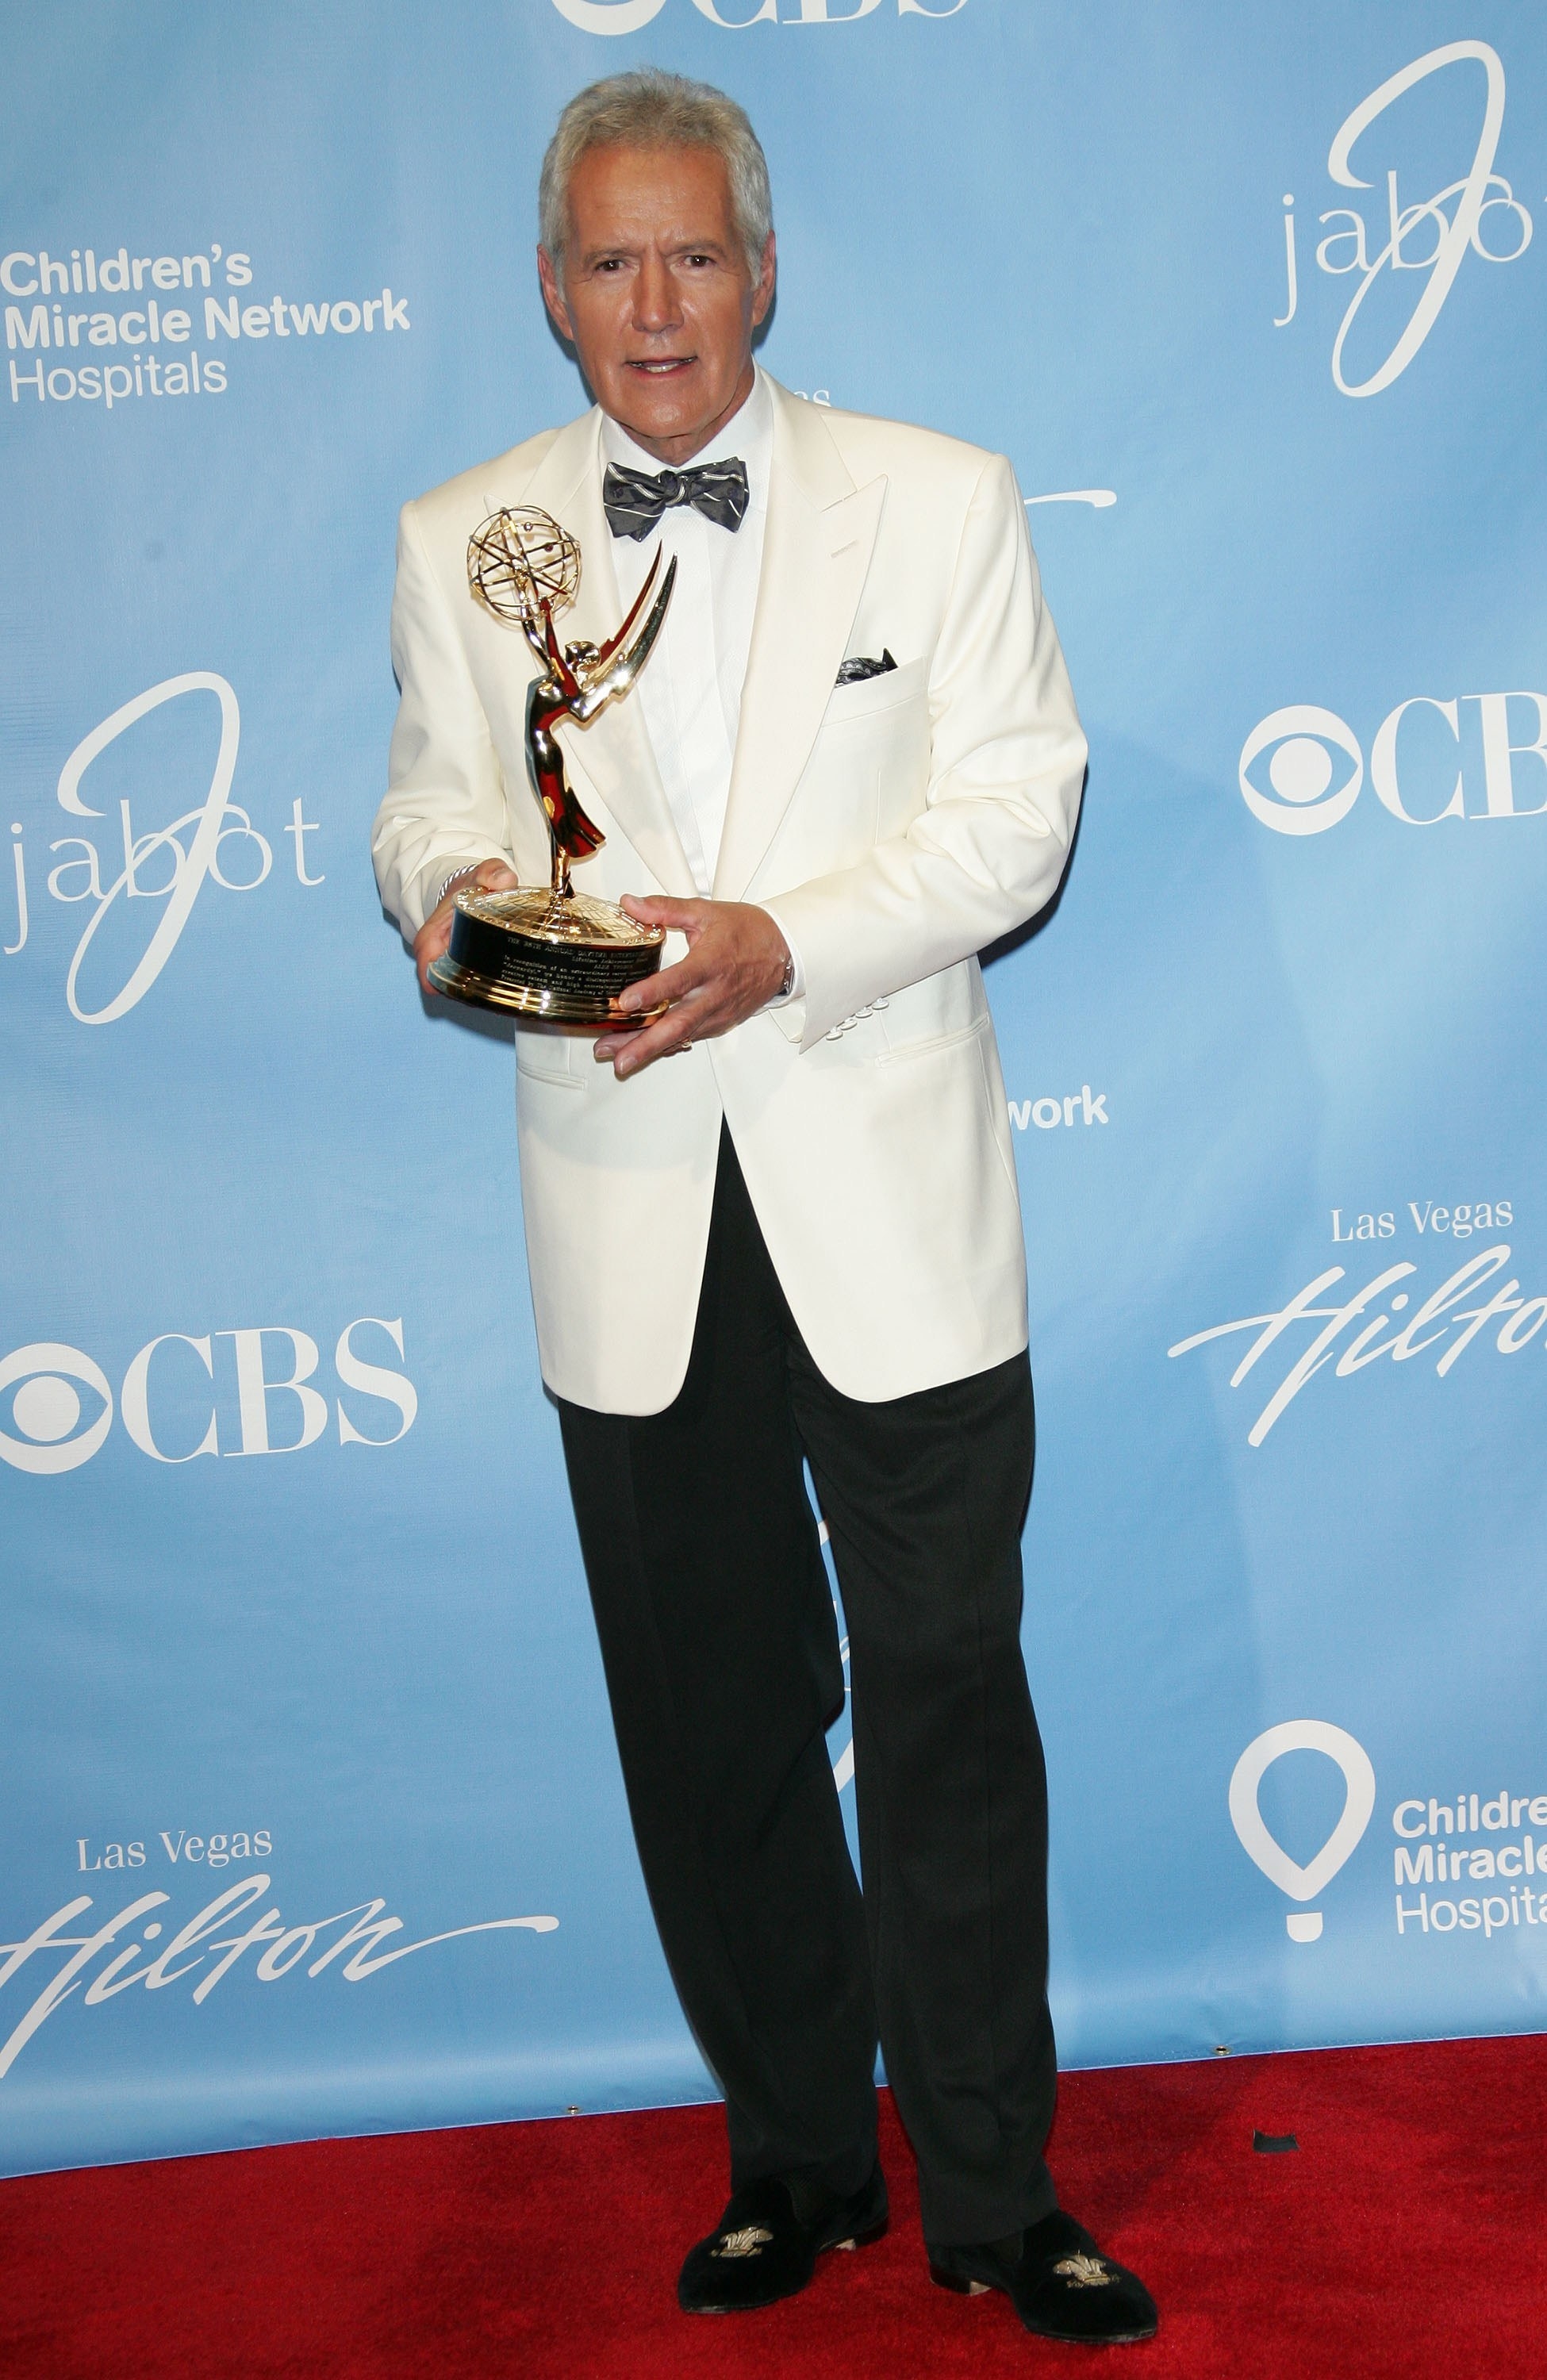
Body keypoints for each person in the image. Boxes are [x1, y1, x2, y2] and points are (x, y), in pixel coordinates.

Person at [372, 67, 1157, 2349]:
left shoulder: (938, 499)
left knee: (942, 1703)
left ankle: (999, 2196)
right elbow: (431, 824)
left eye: (694, 254)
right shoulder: (461, 537)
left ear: (765, 267)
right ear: (548, 290)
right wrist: (469, 919)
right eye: (609, 261)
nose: (656, 303)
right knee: (712, 1725)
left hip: (887, 1201)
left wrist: (778, 941)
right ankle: (797, 2160)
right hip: (627, 1212)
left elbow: (1022, 809)